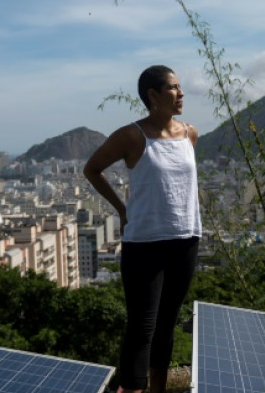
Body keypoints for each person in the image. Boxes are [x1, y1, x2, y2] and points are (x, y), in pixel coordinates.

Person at [84, 65, 202, 393]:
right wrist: (121, 209)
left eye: (180, 88)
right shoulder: (132, 136)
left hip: (185, 238)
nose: (180, 94)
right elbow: (92, 169)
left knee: (167, 324)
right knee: (141, 328)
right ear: (153, 95)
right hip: (145, 243)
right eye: (173, 88)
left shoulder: (190, 133)